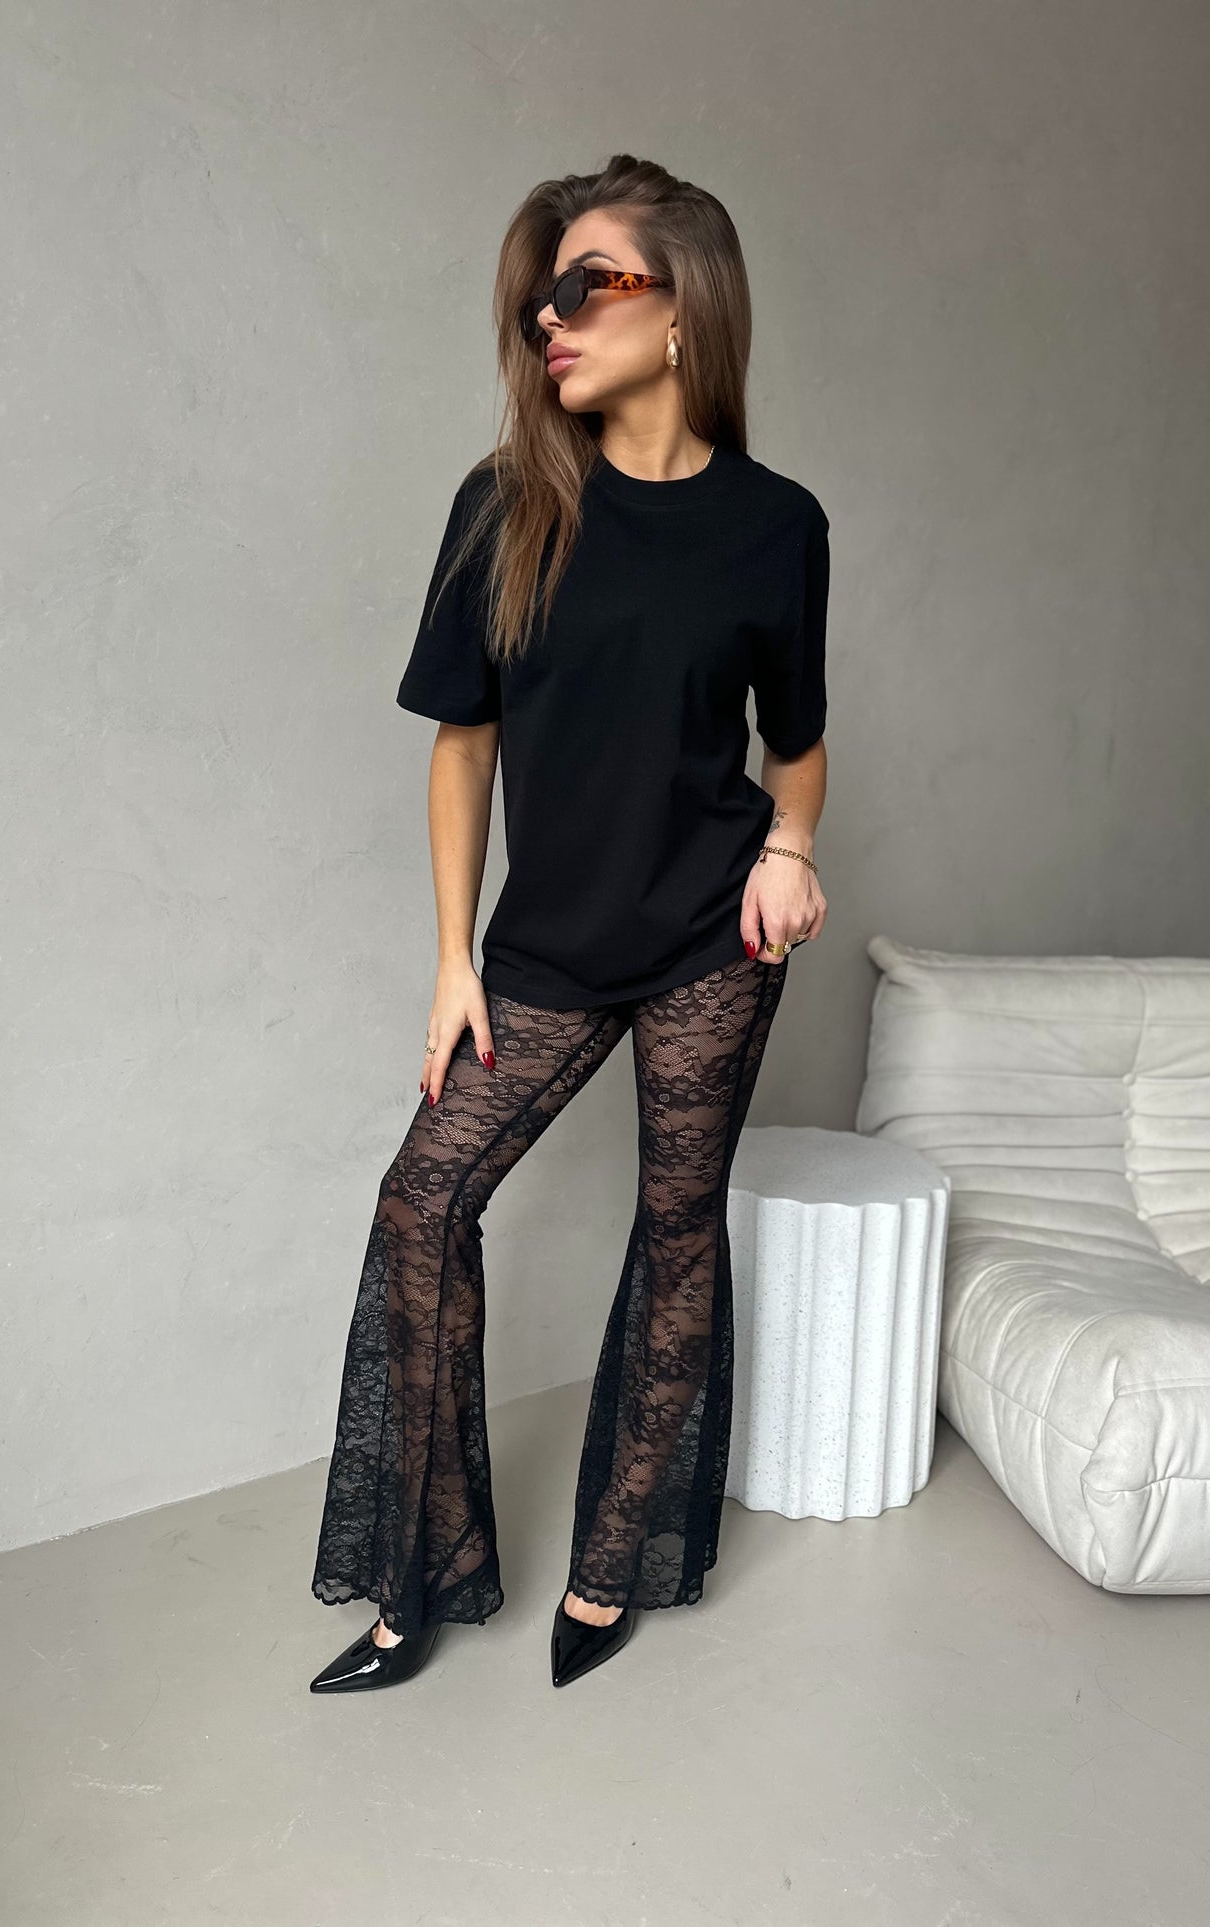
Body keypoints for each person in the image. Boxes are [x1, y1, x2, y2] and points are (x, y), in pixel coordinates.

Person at [309, 153, 830, 1694]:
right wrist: (451, 961)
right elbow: (460, 746)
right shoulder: (506, 504)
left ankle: (612, 1571)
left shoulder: (776, 525)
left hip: (709, 944)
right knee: (421, 1206)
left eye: (587, 282)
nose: (551, 315)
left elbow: (795, 739)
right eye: (541, 294)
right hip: (542, 951)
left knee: (675, 1233)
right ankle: (423, 1575)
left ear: (683, 310)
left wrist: (788, 846)